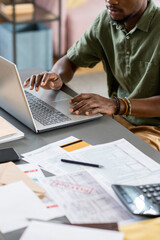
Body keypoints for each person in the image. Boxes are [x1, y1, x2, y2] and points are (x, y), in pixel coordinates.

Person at [24, 0, 160, 151]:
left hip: (154, 129)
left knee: (123, 158)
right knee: (57, 143)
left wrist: (116, 104)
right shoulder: (105, 20)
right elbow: (71, 60)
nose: (110, 1)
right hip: (117, 117)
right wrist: (56, 76)